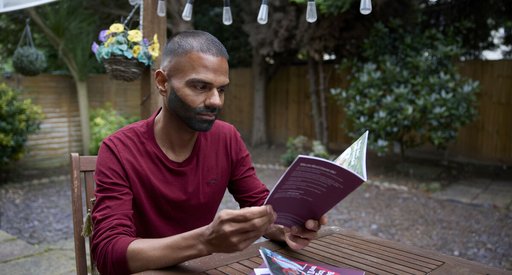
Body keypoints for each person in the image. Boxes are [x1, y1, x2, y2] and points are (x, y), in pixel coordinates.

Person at [91, 30, 327, 275]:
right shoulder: (118, 149)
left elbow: (259, 206)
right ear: (162, 83)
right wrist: (205, 241)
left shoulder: (226, 138)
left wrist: (286, 228)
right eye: (200, 86)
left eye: (221, 89)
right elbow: (109, 254)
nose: (216, 101)